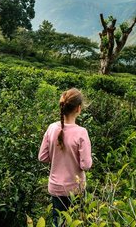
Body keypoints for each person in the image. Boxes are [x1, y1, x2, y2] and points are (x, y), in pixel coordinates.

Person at [39, 88, 92, 227]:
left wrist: (58, 156)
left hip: (56, 187)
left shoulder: (51, 128)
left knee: (59, 222)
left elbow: (42, 157)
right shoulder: (81, 133)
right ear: (78, 108)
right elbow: (86, 165)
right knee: (76, 221)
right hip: (76, 189)